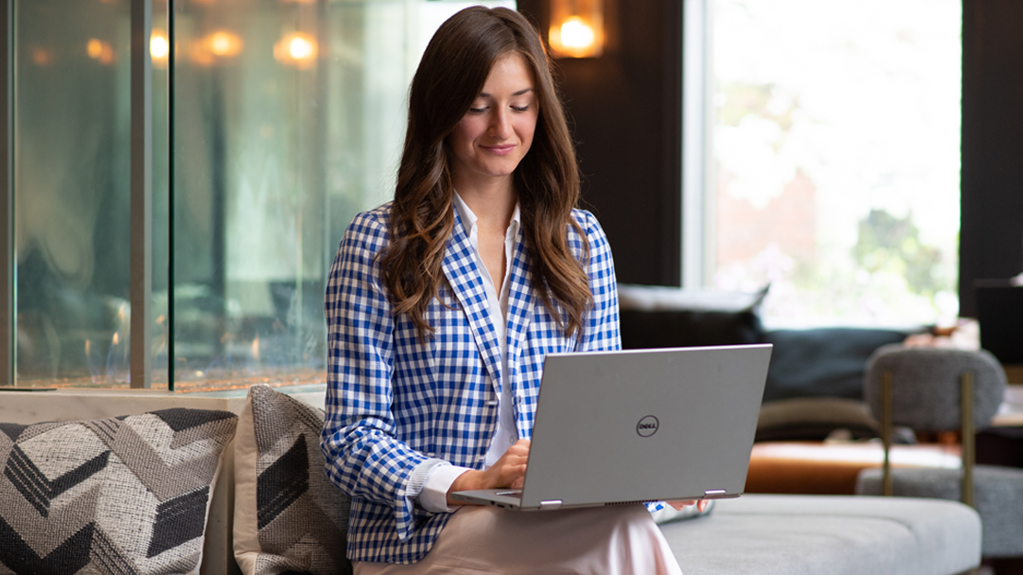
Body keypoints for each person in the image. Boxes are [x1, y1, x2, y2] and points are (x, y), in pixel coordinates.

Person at [321, 6, 702, 573]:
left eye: (521, 105)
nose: (504, 128)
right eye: (479, 107)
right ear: (442, 113)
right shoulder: (380, 243)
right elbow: (351, 440)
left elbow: (605, 423)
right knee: (624, 536)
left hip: (555, 517)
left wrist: (653, 480)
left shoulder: (580, 242)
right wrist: (472, 482)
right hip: (426, 537)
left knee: (628, 520)